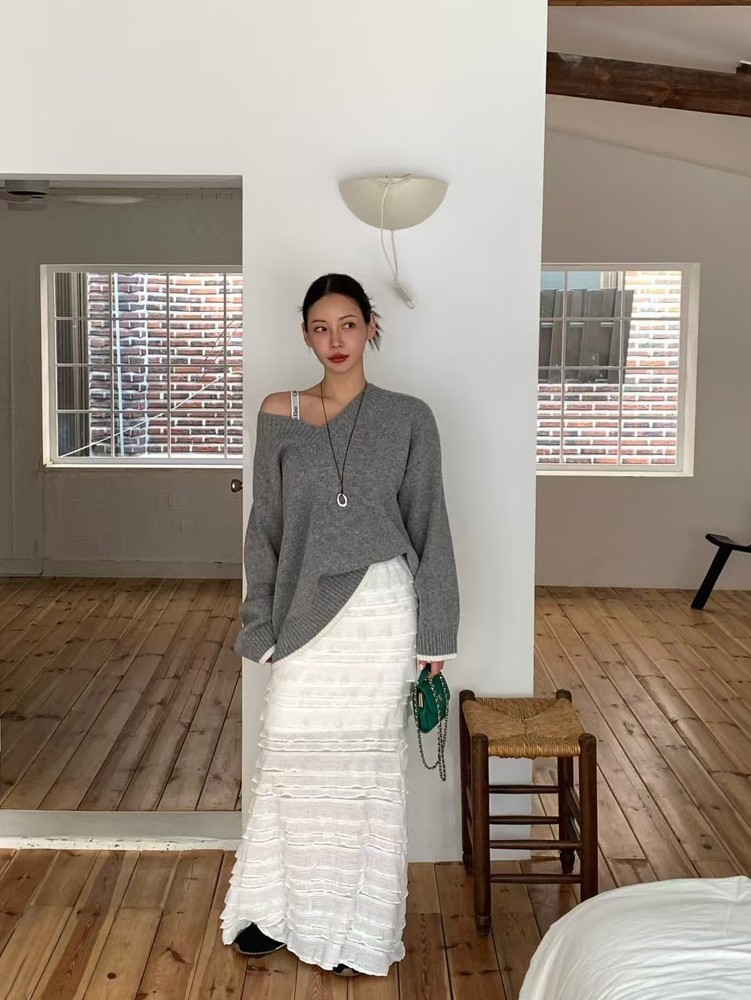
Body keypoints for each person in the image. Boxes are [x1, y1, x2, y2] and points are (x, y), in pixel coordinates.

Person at [220, 273, 460, 978]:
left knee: (364, 777)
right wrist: (259, 622)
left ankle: (356, 930)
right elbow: (264, 526)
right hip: (303, 616)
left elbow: (430, 524)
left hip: (382, 610)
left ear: (370, 327)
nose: (335, 340)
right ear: (304, 334)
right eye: (321, 327)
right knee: (291, 765)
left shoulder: (409, 416)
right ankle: (273, 912)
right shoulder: (279, 411)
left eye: (348, 325)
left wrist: (436, 635)